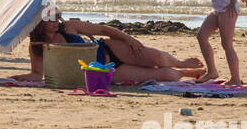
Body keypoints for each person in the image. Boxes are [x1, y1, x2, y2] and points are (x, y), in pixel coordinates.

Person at [16, 17, 206, 83]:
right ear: (39, 23)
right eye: (50, 18)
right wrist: (10, 79)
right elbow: (36, 75)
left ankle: (179, 62)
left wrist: (128, 38)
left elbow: (103, 30)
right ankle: (185, 72)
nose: (55, 21)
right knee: (164, 76)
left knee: (159, 59)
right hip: (105, 70)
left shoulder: (69, 26)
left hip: (112, 49)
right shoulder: (37, 47)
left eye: (56, 15)